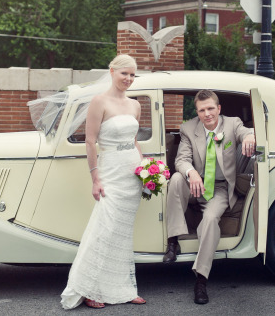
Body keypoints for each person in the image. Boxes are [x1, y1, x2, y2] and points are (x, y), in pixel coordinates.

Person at [60, 54, 147, 310]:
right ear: (112, 71)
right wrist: (95, 178)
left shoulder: (135, 106)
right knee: (104, 231)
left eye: (132, 75)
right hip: (110, 173)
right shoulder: (99, 102)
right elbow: (90, 141)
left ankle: (124, 288)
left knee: (122, 234)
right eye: (124, 74)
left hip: (132, 174)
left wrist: (146, 170)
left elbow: (134, 141)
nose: (129, 79)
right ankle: (89, 288)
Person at [163, 89, 255, 304]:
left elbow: (244, 132)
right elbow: (181, 159)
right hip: (195, 185)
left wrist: (250, 136)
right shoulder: (188, 128)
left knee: (211, 220)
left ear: (218, 108)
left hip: (221, 189)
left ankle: (201, 280)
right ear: (197, 112)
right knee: (176, 178)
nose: (207, 114)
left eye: (211, 108)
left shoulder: (232, 124)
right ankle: (172, 241)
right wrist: (192, 173)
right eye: (202, 110)